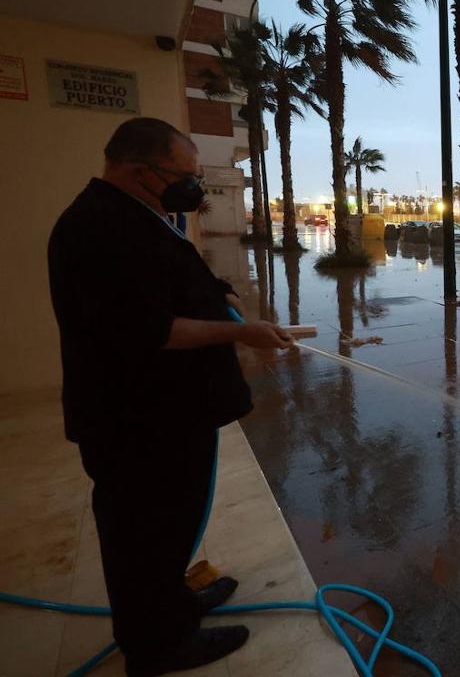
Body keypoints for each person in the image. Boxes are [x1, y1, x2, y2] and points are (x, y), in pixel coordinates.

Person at [47, 117, 293, 676]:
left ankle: (173, 605)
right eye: (185, 175)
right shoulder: (95, 228)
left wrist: (220, 295)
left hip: (166, 413)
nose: (194, 187)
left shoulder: (139, 216)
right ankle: (158, 646)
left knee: (172, 524)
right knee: (143, 533)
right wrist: (240, 332)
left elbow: (170, 283)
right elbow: (151, 329)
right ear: (140, 171)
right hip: (134, 420)